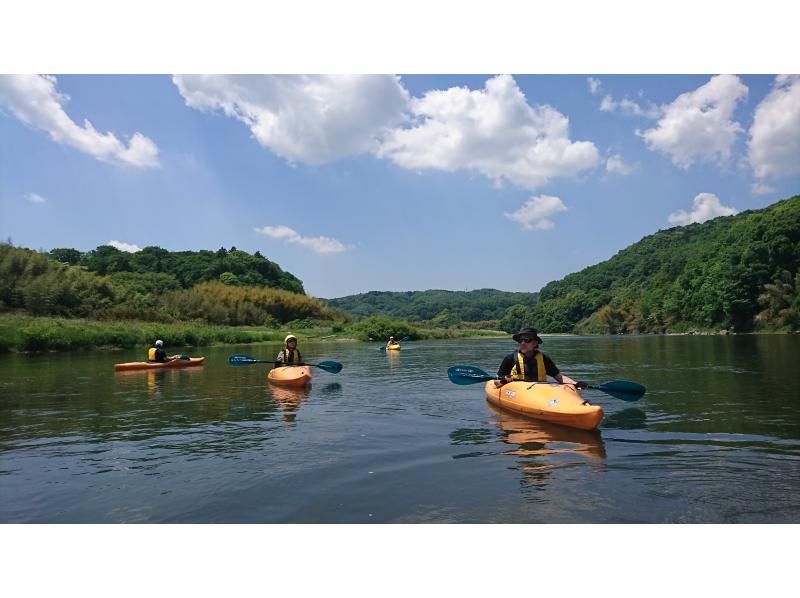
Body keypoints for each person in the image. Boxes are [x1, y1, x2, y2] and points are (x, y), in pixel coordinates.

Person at [496, 327, 587, 388]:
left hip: (540, 391)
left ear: (535, 343)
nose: (523, 343)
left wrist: (576, 384)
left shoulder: (544, 359)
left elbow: (560, 378)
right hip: (519, 392)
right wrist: (504, 378)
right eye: (521, 340)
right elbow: (497, 379)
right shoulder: (510, 358)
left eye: (527, 340)